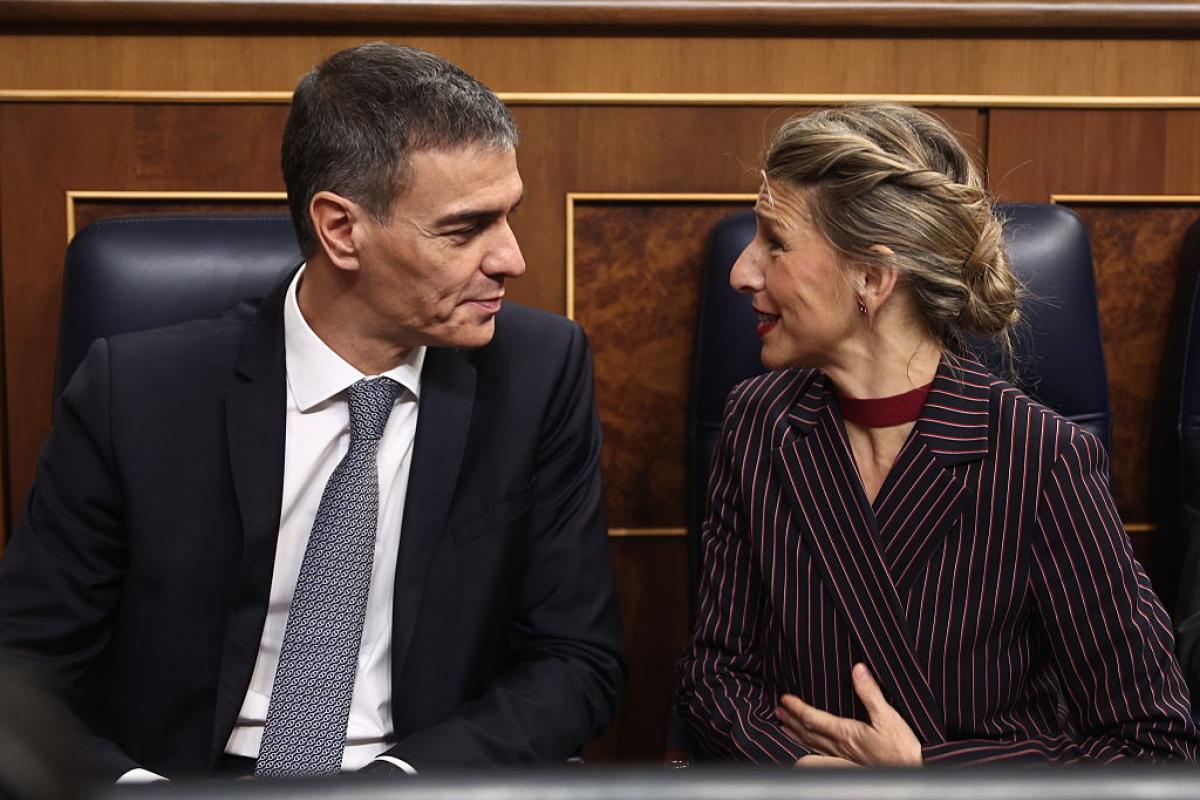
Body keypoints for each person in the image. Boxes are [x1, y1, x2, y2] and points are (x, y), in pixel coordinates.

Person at [0, 43, 624, 782]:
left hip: (421, 779)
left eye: (508, 216)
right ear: (340, 229)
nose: (511, 259)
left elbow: (575, 660)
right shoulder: (134, 394)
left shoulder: (538, 372)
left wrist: (398, 787)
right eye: (465, 229)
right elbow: (23, 673)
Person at [677, 102, 1197, 765]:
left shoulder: (1043, 459)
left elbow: (1154, 745)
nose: (741, 272)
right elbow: (713, 677)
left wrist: (925, 778)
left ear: (873, 278)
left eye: (775, 243)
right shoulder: (757, 423)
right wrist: (804, 773)